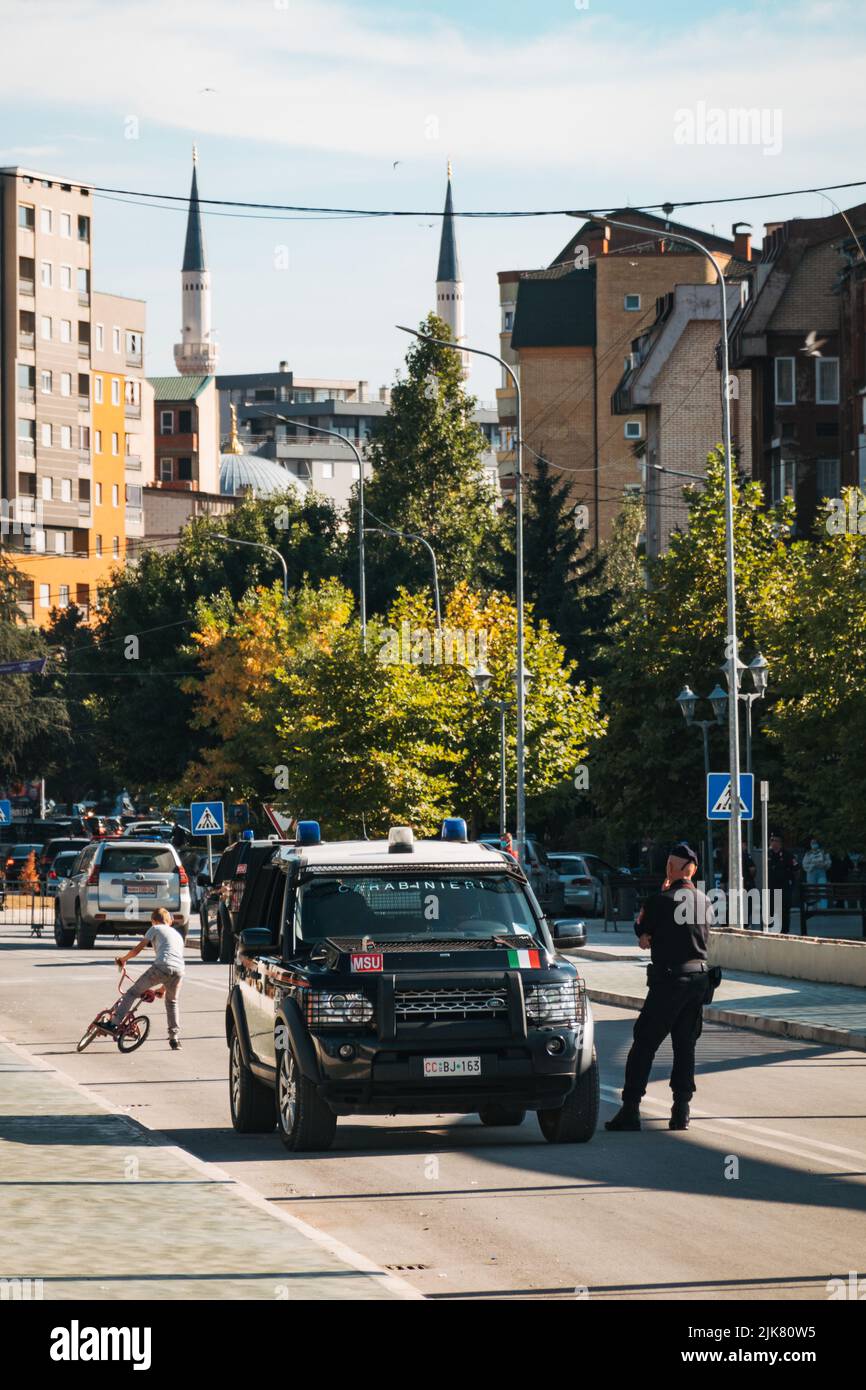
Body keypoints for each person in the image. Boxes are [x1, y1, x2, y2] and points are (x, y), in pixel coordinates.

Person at [606, 842, 715, 1133]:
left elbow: (643, 936)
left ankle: (630, 1110)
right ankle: (682, 1111)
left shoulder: (660, 901)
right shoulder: (705, 901)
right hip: (699, 982)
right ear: (693, 871)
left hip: (670, 982)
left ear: (671, 868)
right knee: (684, 1046)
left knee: (643, 1044)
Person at [104, 907, 185, 1050]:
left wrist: (123, 959)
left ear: (154, 921)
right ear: (169, 921)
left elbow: (137, 949)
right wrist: (162, 989)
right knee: (172, 1003)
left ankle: (114, 1023)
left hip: (161, 967)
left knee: (132, 993)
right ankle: (174, 1039)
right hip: (179, 971)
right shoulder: (177, 934)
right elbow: (174, 963)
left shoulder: (155, 928)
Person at [767, 832, 798, 934]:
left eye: (776, 840)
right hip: (771, 887)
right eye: (772, 840)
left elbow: (796, 869)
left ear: (780, 843)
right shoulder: (767, 854)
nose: (773, 843)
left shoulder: (787, 855)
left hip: (784, 887)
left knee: (784, 911)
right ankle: (771, 931)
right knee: (771, 911)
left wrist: (792, 883)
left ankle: (784, 932)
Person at [802, 836, 831, 909]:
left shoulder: (824, 852)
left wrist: (823, 864)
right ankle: (813, 907)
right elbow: (804, 864)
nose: (814, 844)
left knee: (823, 889)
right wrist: (812, 865)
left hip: (821, 872)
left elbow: (829, 862)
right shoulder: (808, 854)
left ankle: (824, 907)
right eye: (812, 843)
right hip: (811, 873)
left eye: (815, 843)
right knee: (812, 890)